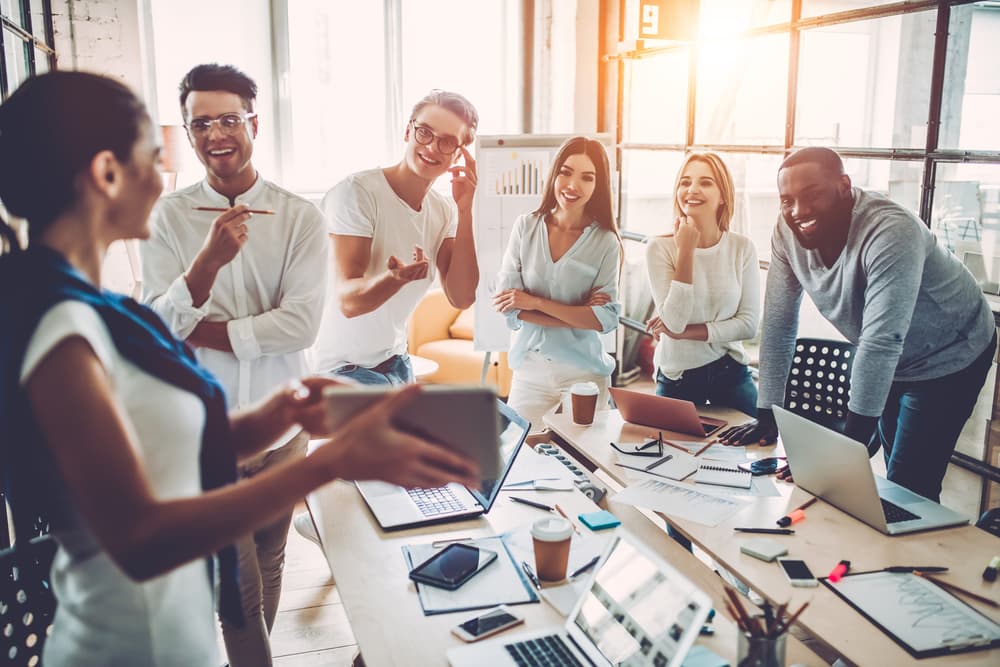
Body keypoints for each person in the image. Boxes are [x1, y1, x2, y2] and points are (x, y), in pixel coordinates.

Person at [0, 70, 478, 667]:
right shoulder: (60, 327)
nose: (168, 176)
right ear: (106, 174)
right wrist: (330, 462)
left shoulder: (98, 309)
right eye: (156, 154)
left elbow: (167, 447)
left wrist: (280, 411)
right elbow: (140, 539)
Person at [139, 64, 327, 666]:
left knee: (270, 562)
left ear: (253, 123)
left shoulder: (300, 217)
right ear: (190, 134)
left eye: (228, 118)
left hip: (284, 426)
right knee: (236, 591)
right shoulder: (167, 219)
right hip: (208, 437)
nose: (215, 133)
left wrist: (205, 328)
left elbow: (301, 325)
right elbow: (158, 331)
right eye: (200, 123)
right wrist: (207, 267)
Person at [721, 147, 995, 503]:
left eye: (812, 195)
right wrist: (766, 414)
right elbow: (778, 324)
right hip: (892, 355)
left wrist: (844, 450)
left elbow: (882, 341)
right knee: (887, 475)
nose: (798, 211)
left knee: (908, 486)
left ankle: (914, 557)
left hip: (951, 353)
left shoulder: (891, 231)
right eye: (787, 200)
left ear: (844, 186)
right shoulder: (786, 232)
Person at [312, 89, 480, 386]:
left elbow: (461, 296)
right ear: (408, 131)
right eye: (424, 132)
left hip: (397, 363)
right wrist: (394, 279)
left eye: (447, 142)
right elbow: (348, 302)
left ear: (459, 154)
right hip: (343, 370)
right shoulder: (357, 193)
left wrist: (466, 210)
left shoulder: (442, 210)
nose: (431, 147)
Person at [493, 136, 621, 430]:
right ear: (554, 174)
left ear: (597, 185)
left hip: (584, 374)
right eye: (566, 172)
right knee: (519, 459)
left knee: (582, 467)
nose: (573, 185)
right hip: (530, 369)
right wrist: (578, 314)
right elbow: (508, 307)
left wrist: (534, 303)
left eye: (587, 177)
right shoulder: (526, 226)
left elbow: (606, 319)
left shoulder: (605, 242)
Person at [644, 152, 760, 417]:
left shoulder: (742, 248)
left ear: (723, 196)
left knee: (764, 446)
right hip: (678, 376)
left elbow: (748, 324)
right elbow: (673, 322)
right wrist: (686, 251)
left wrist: (685, 333)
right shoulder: (659, 248)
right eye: (685, 182)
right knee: (671, 453)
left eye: (705, 183)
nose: (692, 190)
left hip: (730, 370)